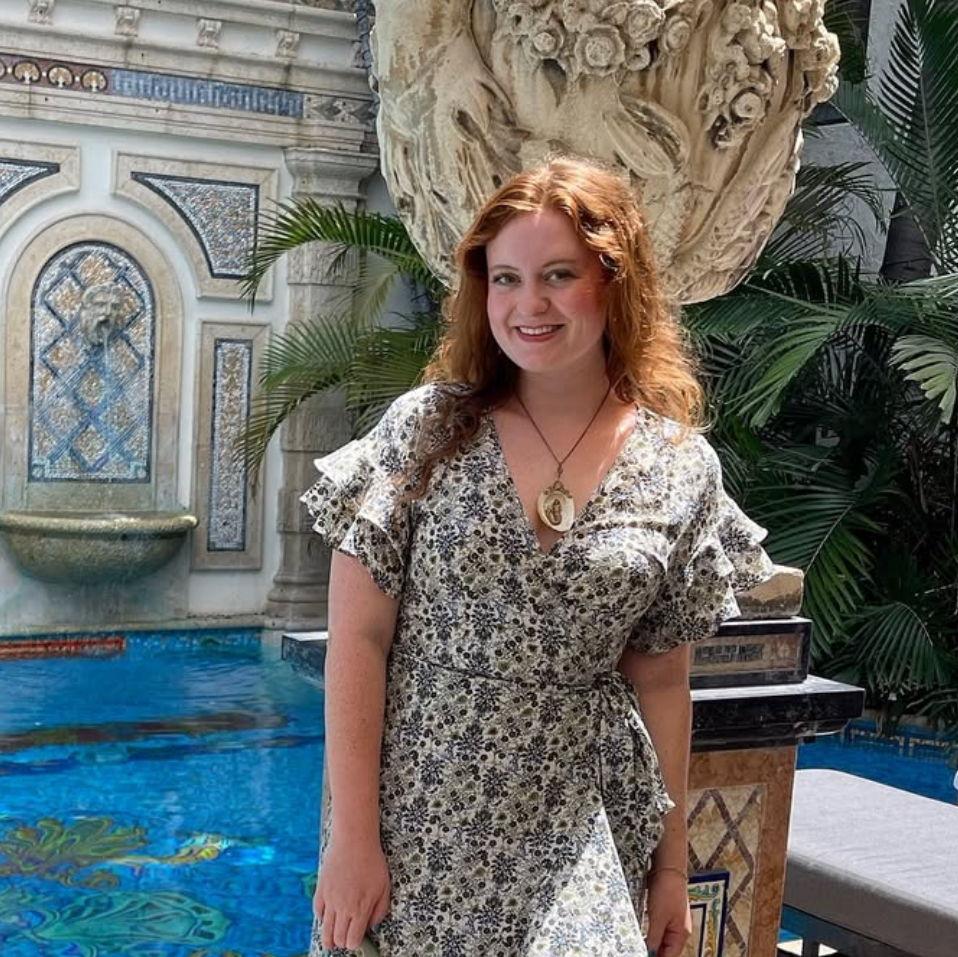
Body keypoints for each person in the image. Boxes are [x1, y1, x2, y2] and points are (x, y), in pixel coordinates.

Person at [302, 157, 775, 957]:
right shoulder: (424, 430)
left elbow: (662, 680)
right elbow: (358, 639)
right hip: (416, 813)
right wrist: (352, 839)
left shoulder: (679, 468)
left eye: (559, 275)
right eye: (507, 278)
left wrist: (669, 870)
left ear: (615, 282)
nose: (529, 305)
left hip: (576, 817)